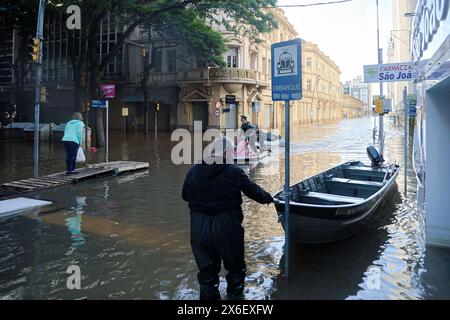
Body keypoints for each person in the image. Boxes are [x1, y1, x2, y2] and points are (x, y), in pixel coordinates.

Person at [182, 137, 273, 300]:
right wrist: (270, 198)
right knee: (235, 268)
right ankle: (235, 299)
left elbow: (185, 196)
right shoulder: (234, 171)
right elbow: (253, 191)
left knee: (207, 271)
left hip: (198, 227)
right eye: (231, 153)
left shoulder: (193, 171)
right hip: (227, 225)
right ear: (225, 152)